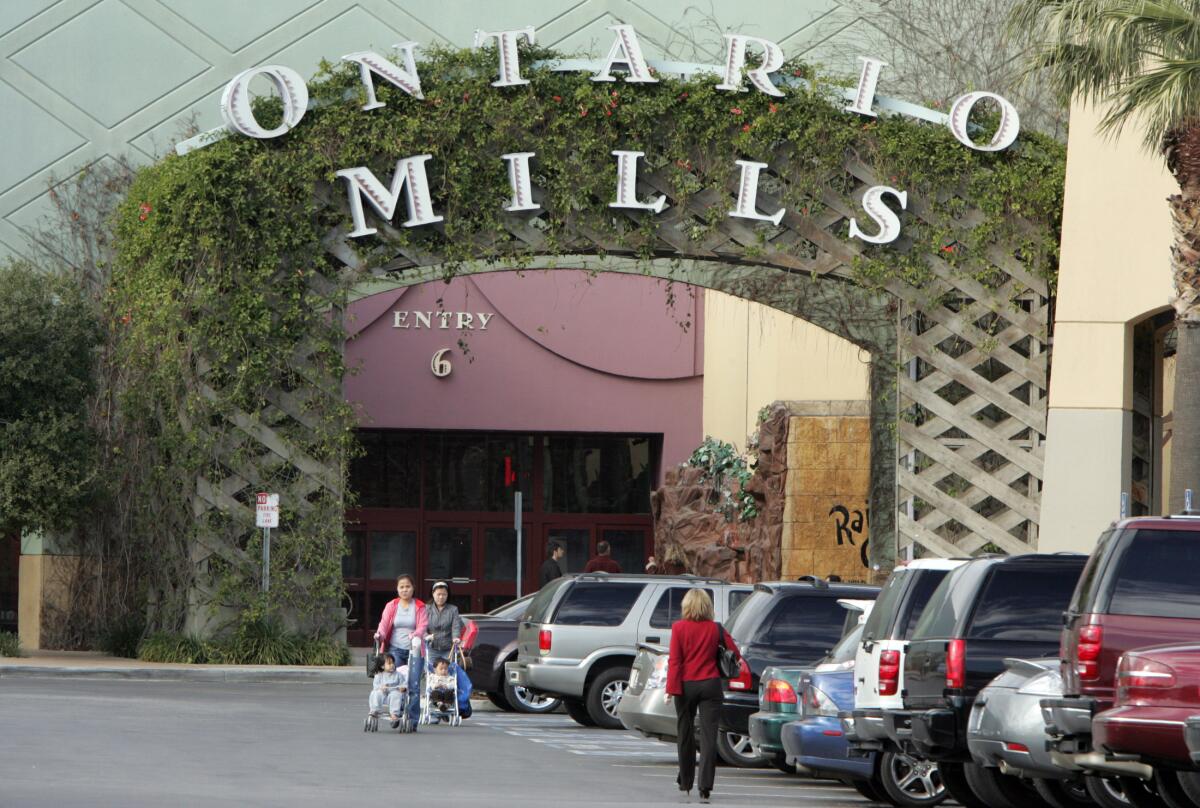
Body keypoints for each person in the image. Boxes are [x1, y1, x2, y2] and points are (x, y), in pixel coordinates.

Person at [666, 589, 741, 804]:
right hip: (711, 684)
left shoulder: (678, 628)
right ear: (708, 607)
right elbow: (735, 652)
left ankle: (686, 781)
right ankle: (705, 786)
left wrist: (670, 690)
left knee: (685, 732)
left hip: (686, 685)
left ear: (686, 606)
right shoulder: (716, 628)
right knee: (709, 737)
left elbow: (675, 661)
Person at [373, 573, 426, 729]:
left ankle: (413, 720)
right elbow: (384, 624)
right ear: (397, 589)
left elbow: (423, 626)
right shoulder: (392, 605)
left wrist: (415, 634)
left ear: (413, 588)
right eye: (401, 587)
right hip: (395, 650)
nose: (405, 590)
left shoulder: (420, 606)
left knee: (413, 686)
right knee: (395, 683)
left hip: (414, 650)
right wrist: (379, 635)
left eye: (408, 586)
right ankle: (396, 713)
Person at [424, 580, 464, 657]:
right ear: (433, 594)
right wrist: (426, 635)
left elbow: (456, 626)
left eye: (444, 594)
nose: (441, 597)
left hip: (448, 648)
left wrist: (456, 637)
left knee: (447, 668)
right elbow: (422, 626)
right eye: (438, 594)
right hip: (431, 647)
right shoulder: (426, 609)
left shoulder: (453, 609)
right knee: (431, 668)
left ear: (447, 595)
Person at [368, 654, 408, 729]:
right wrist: (381, 687)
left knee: (396, 694)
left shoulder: (398, 675)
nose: (392, 665)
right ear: (382, 666)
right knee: (375, 693)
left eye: (393, 663)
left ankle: (394, 713)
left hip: (394, 691)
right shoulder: (379, 675)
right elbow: (375, 686)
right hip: (383, 694)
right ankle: (374, 710)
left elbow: (404, 684)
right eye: (389, 663)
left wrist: (403, 688)